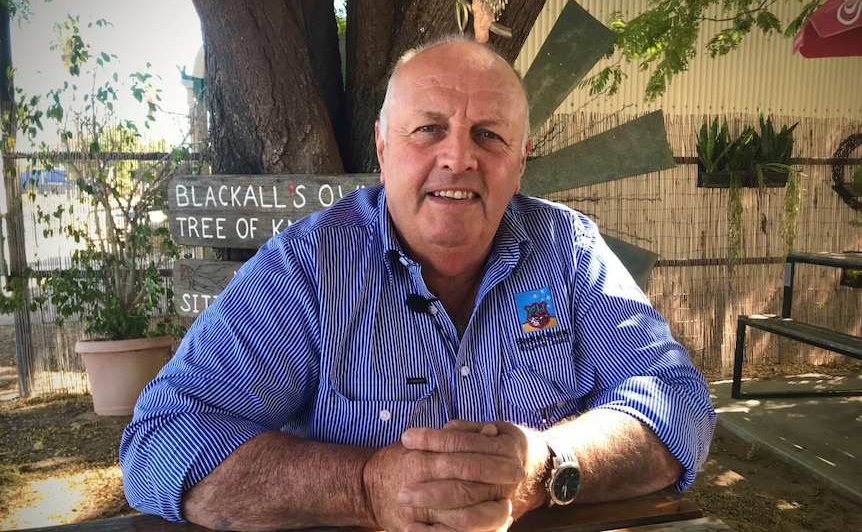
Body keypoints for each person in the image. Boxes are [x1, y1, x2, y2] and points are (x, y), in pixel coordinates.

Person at [120, 35, 716, 532]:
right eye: (428, 129)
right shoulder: (311, 266)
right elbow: (160, 441)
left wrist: (548, 465)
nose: (458, 157)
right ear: (383, 148)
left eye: (489, 134)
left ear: (522, 160)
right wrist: (366, 487)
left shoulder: (569, 253)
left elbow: (678, 405)